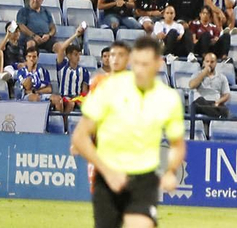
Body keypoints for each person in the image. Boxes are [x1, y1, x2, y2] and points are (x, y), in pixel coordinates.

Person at [70, 35, 187, 228]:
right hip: (108, 175)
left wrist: (170, 171)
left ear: (158, 64)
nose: (140, 69)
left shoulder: (168, 98)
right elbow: (80, 136)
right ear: (132, 61)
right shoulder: (109, 88)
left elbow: (177, 144)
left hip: (143, 179)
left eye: (146, 64)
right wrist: (108, 172)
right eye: (137, 63)